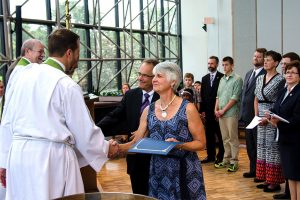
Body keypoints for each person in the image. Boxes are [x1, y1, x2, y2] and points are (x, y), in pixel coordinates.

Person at [0, 28, 118, 200]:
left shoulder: (21, 76)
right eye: (78, 53)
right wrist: (108, 148)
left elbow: (7, 120)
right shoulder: (66, 84)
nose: (78, 59)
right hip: (49, 161)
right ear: (69, 53)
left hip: (18, 155)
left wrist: (3, 160)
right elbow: (84, 132)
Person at [120, 61, 206, 200]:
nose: (154, 79)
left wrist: (179, 145)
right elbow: (136, 143)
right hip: (158, 172)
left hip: (184, 171)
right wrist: (112, 148)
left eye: (159, 76)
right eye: (154, 76)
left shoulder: (188, 108)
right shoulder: (149, 110)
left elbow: (201, 143)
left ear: (173, 82)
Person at [97, 58, 160, 195]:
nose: (140, 78)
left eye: (145, 75)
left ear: (155, 77)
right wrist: (94, 130)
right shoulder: (130, 95)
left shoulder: (165, 96)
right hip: (135, 159)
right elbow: (114, 116)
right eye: (139, 74)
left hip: (158, 159)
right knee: (139, 195)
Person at [254, 50, 285, 192]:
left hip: (272, 116)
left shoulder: (280, 80)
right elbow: (256, 97)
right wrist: (257, 116)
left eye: (268, 60)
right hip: (259, 115)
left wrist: (268, 117)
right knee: (262, 147)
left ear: (276, 63)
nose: (265, 61)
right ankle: (266, 178)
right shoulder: (260, 77)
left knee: (273, 148)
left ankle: (275, 181)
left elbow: (279, 101)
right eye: (264, 59)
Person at [268, 61, 300, 200]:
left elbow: (297, 119)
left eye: (293, 72)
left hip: (296, 140)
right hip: (284, 139)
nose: (289, 75)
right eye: (287, 72)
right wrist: (270, 114)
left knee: (298, 175)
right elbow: (276, 109)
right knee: (290, 174)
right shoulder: (284, 91)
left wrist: (278, 124)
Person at [240, 48, 267, 179]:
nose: (255, 58)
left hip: (257, 115)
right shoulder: (248, 73)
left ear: (264, 59)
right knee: (249, 144)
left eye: (259, 57)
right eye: (254, 56)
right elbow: (245, 95)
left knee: (257, 145)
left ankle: (259, 172)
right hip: (246, 115)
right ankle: (252, 169)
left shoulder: (265, 74)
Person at [214, 56, 243, 172]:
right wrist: (215, 109)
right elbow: (218, 96)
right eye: (223, 65)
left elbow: (234, 98)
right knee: (225, 138)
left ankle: (234, 161)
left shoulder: (237, 79)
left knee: (233, 138)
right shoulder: (221, 79)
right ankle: (226, 159)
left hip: (231, 113)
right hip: (221, 113)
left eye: (226, 65)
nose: (224, 67)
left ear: (232, 65)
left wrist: (223, 110)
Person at [200, 56, 224, 164]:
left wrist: (219, 110)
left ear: (217, 64)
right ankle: (210, 156)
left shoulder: (222, 77)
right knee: (209, 136)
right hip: (208, 112)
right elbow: (202, 95)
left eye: (212, 63)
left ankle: (221, 157)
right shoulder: (204, 78)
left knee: (220, 135)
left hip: (218, 112)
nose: (210, 65)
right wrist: (202, 110)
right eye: (209, 63)